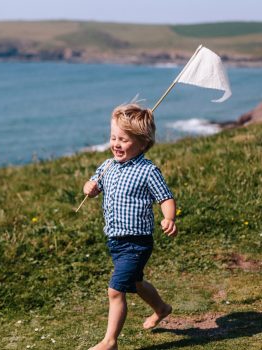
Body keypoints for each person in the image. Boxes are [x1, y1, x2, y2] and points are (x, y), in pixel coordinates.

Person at [83, 103, 177, 350]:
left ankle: (109, 342)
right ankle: (161, 308)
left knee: (116, 290)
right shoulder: (107, 166)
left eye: (123, 140)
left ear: (143, 143)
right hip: (115, 241)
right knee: (136, 283)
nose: (116, 143)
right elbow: (92, 186)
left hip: (137, 242)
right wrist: (89, 189)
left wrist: (169, 217)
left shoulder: (148, 171)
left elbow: (165, 197)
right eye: (113, 137)